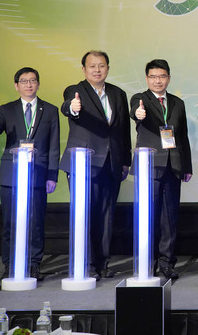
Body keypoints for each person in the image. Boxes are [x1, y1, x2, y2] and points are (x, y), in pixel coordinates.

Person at [0, 67, 60, 282]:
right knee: (9, 222)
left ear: (38, 84)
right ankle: (9, 264)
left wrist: (52, 175)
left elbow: (54, 146)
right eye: (24, 81)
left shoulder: (50, 110)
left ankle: (34, 264)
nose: (28, 84)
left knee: (36, 222)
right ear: (16, 86)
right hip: (11, 174)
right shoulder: (7, 109)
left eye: (32, 80)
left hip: (38, 173)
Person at [59, 50, 131, 280]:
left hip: (112, 162)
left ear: (108, 68)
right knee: (85, 214)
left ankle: (103, 264)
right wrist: (73, 107)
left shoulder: (118, 93)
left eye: (101, 65)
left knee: (106, 216)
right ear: (84, 69)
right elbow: (68, 107)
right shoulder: (75, 91)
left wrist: (125, 161)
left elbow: (123, 130)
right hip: (85, 163)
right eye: (92, 66)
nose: (97, 70)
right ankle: (86, 264)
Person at [130, 59, 192, 280]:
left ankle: (167, 263)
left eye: (162, 76)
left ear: (168, 78)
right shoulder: (140, 99)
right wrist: (138, 113)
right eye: (153, 77)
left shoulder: (177, 103)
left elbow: (183, 136)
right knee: (148, 217)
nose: (158, 81)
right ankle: (147, 262)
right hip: (149, 166)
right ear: (147, 79)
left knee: (169, 218)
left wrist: (186, 166)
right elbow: (135, 112)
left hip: (173, 166)